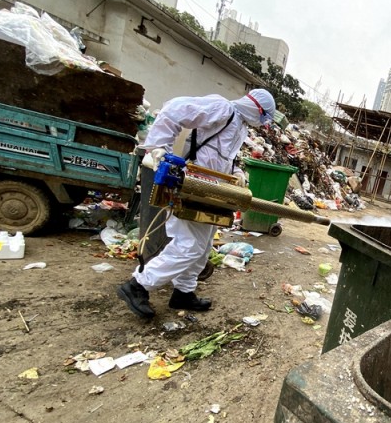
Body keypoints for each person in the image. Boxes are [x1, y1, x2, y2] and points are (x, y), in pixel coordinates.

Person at [117, 89, 275, 320]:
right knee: (188, 245)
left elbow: (223, 158)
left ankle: (184, 292)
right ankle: (138, 285)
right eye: (263, 117)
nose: (262, 123)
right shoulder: (223, 109)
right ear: (255, 108)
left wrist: (237, 172)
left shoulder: (240, 126)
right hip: (191, 185)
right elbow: (174, 110)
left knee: (202, 246)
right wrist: (160, 148)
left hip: (211, 193)